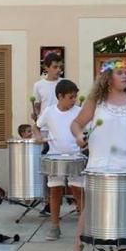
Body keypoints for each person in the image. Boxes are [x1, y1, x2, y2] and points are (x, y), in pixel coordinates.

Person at [66, 59, 126, 251]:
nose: (124, 76)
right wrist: (79, 136)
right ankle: (76, 249)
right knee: (91, 210)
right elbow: (76, 123)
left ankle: (123, 250)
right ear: (107, 77)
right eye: (119, 73)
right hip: (101, 164)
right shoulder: (96, 102)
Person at [31, 79, 84, 241]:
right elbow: (36, 126)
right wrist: (38, 137)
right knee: (55, 192)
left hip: (76, 156)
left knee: (78, 192)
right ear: (60, 96)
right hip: (55, 157)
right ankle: (55, 226)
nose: (74, 100)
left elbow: (89, 131)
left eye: (75, 97)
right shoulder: (49, 111)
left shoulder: (79, 111)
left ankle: (85, 227)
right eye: (71, 97)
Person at [32, 52, 63, 122]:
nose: (59, 70)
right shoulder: (38, 85)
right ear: (46, 67)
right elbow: (37, 107)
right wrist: (35, 114)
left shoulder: (65, 83)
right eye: (55, 67)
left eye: (60, 67)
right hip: (44, 126)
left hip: (61, 124)